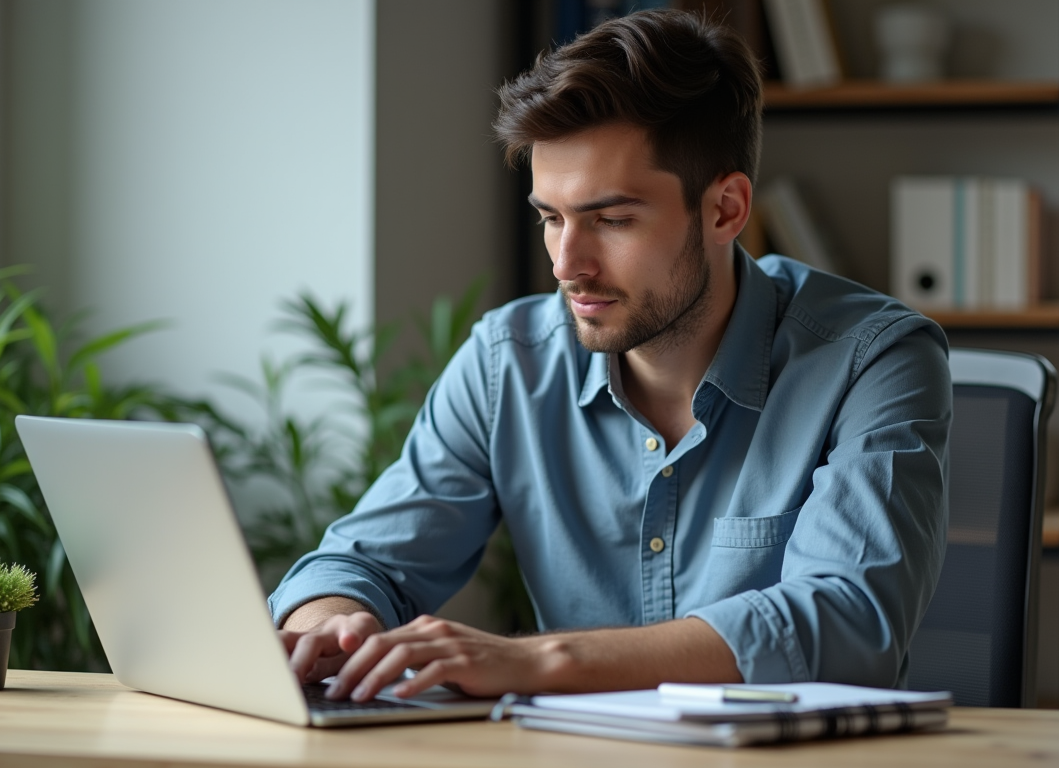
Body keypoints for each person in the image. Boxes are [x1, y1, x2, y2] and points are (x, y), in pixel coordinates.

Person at [269, 9, 950, 703]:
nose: (567, 266)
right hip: (571, 758)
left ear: (725, 209)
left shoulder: (875, 359)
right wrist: (330, 627)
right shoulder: (508, 364)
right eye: (551, 218)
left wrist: (541, 660)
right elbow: (358, 564)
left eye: (613, 220)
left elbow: (847, 622)